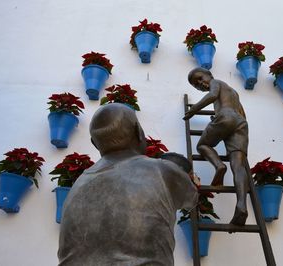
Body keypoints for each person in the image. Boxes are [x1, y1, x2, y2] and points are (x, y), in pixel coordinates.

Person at [58, 103, 198, 266]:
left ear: (95, 143)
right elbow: (191, 199)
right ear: (139, 132)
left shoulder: (78, 184)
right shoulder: (162, 170)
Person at [183, 67, 250, 226]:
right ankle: (241, 204)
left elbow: (213, 95)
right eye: (196, 85)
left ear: (209, 74)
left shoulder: (217, 82)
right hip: (240, 123)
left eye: (200, 78)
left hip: (226, 117)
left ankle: (219, 166)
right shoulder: (233, 93)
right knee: (238, 166)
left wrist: (194, 109)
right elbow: (240, 113)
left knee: (203, 145)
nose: (200, 84)